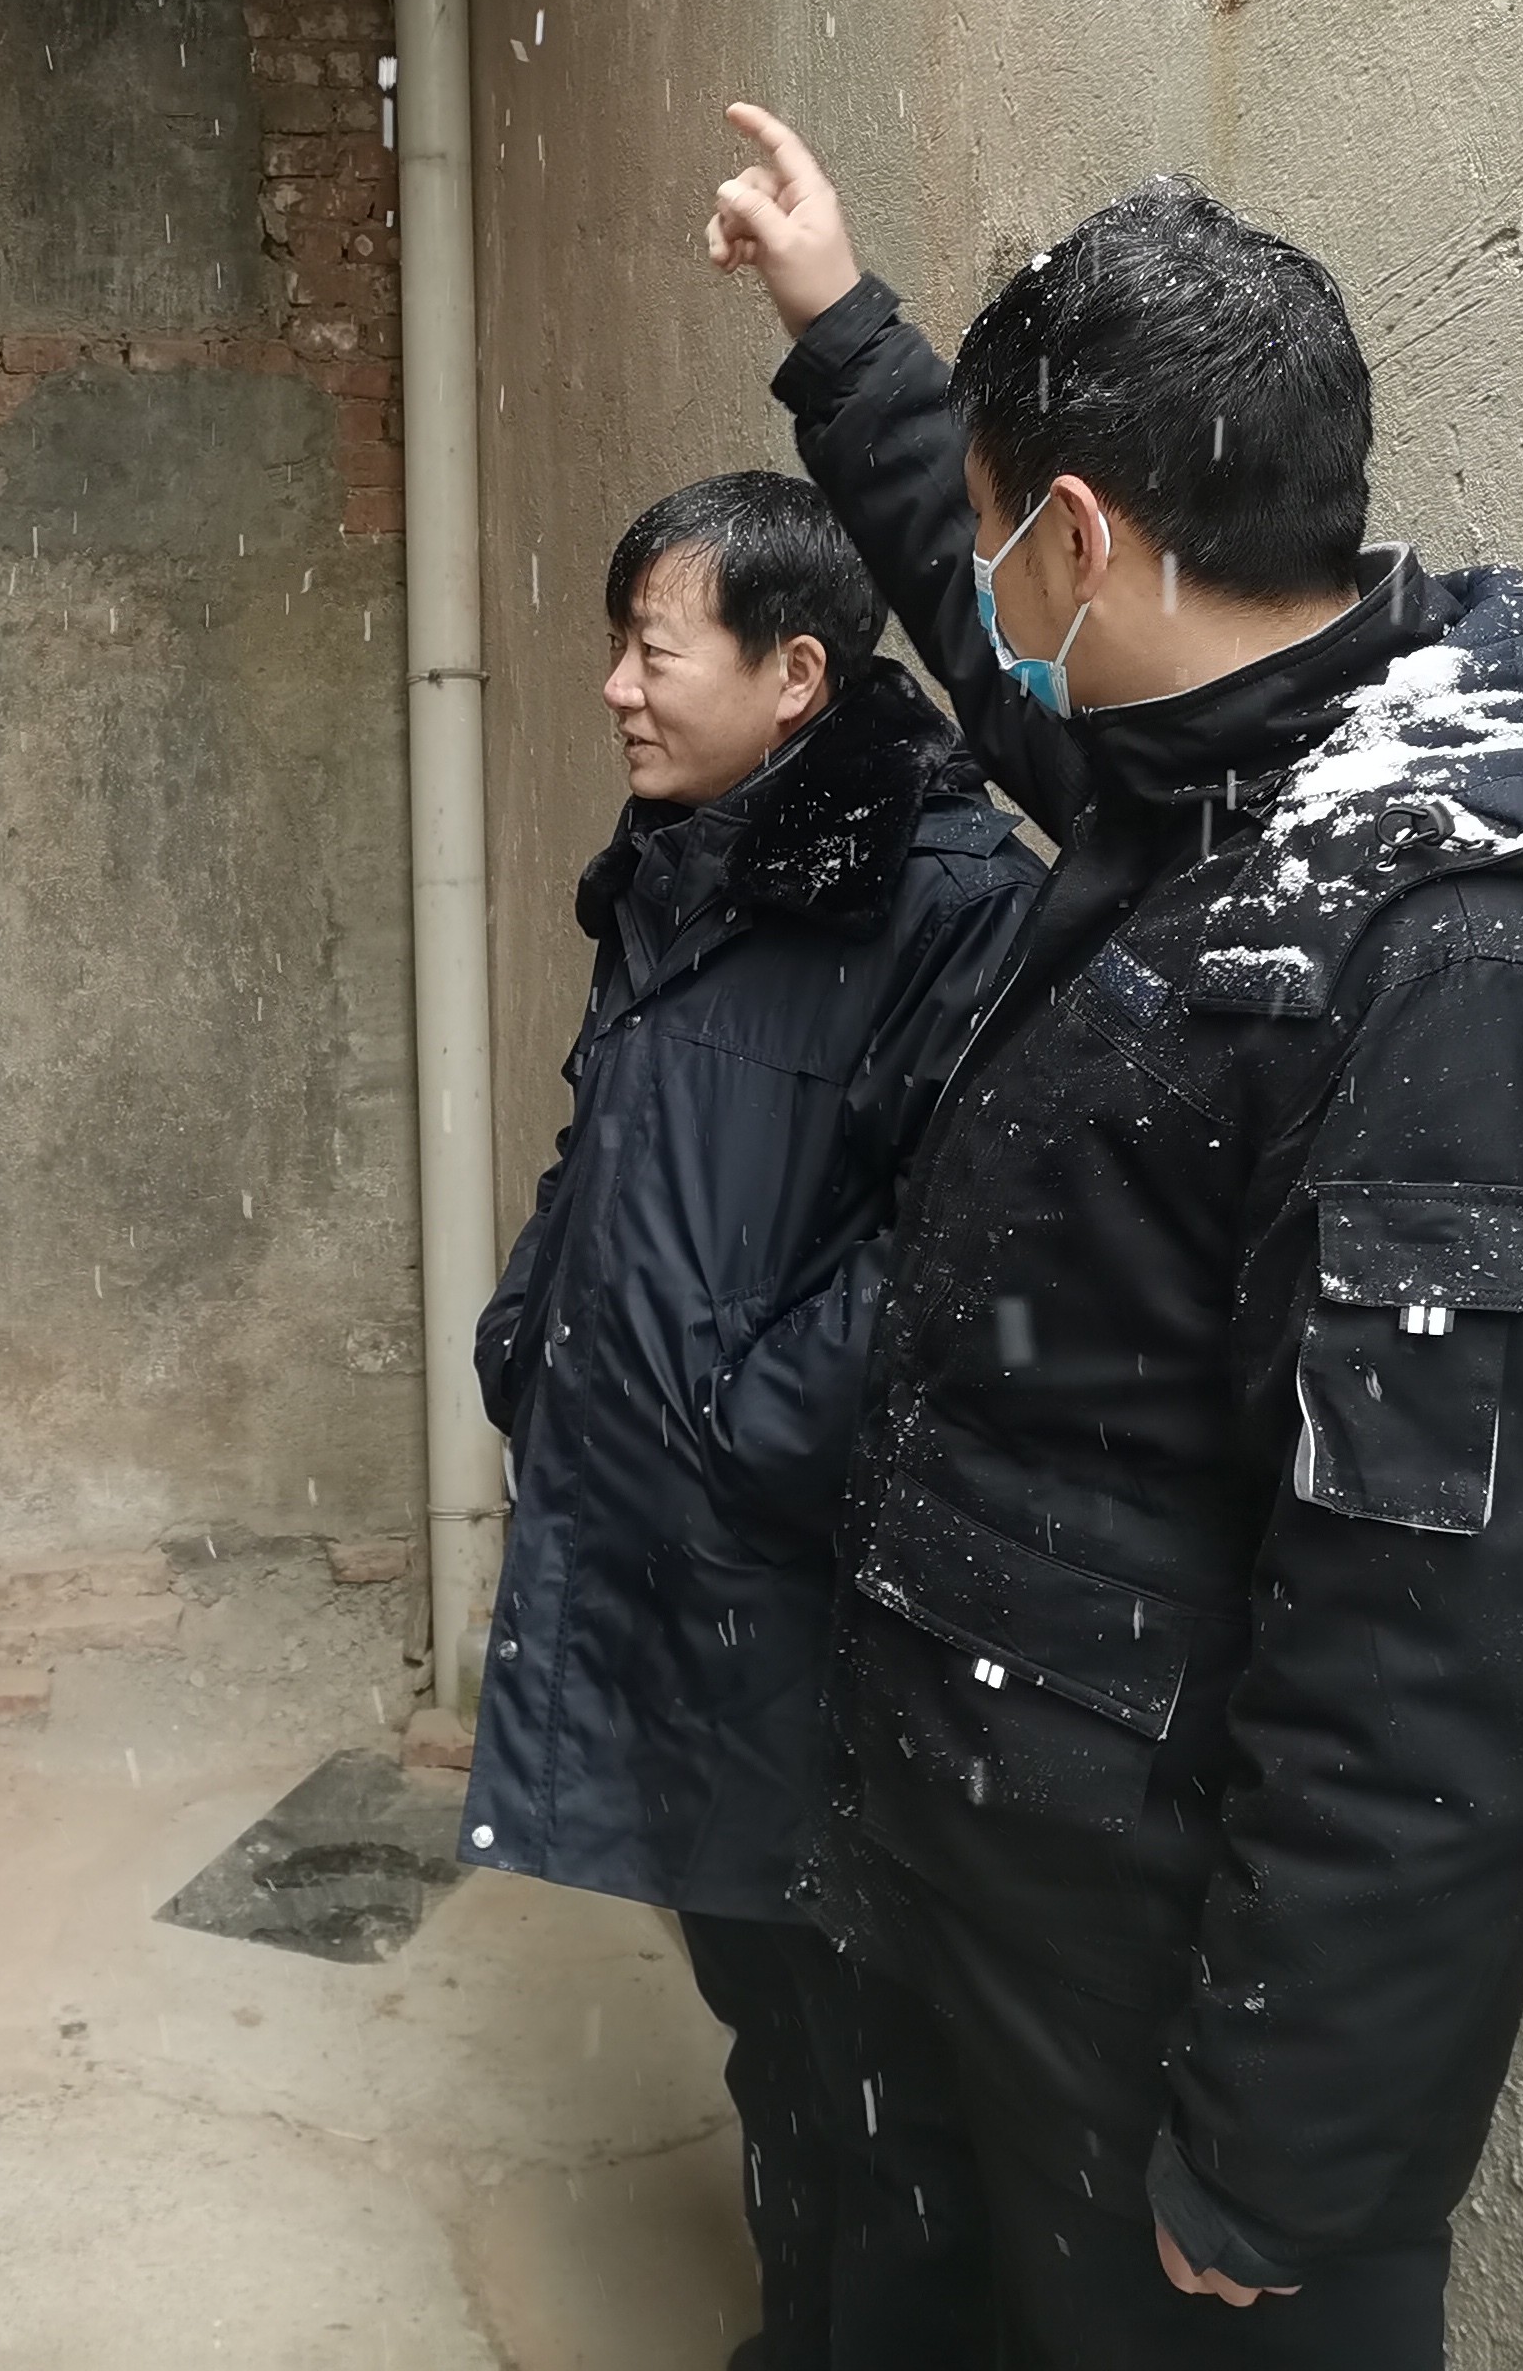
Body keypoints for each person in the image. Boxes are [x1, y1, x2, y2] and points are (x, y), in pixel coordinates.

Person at [703, 113, 1523, 2368]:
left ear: (1090, 536)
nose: (985, 599)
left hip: (1151, 1985)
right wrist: (839, 329)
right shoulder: (1212, 764)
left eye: (1007, 539)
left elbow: (1437, 1635)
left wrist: (1291, 2146)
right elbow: (976, 607)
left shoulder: (1470, 977)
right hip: (993, 1875)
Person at [458, 472, 1042, 2370]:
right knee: (772, 2027)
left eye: (653, 650)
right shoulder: (683, 860)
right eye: (618, 645)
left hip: (801, 1584)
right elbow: (609, 1144)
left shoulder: (946, 902)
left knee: (866, 2061)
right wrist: (535, 1335)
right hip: (674, 1550)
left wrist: (741, 1425)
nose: (617, 690)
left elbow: (950, 1246)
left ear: (795, 676)